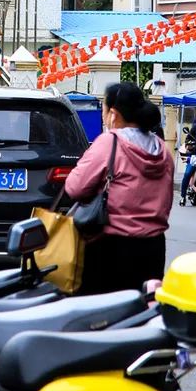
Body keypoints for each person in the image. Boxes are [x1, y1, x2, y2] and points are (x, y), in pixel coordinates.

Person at [65, 81, 174, 295]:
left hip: (111, 247)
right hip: (153, 247)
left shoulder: (109, 142)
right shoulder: (161, 149)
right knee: (142, 313)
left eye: (104, 110)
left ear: (113, 113)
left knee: (103, 316)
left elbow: (75, 188)